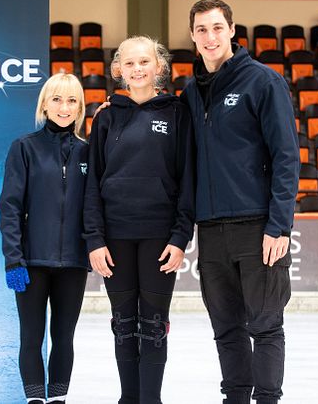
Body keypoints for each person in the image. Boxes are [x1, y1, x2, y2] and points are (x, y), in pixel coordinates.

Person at [182, 0, 299, 404]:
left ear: (232, 30)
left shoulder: (263, 81)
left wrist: (279, 225)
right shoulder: (191, 91)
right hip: (211, 230)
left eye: (217, 28)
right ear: (193, 36)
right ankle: (234, 398)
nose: (210, 37)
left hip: (257, 227)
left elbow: (286, 156)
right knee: (226, 327)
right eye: (202, 30)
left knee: (265, 325)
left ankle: (267, 399)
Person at [83, 36, 194, 404]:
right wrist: (95, 239)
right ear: (118, 70)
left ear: (159, 67)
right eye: (129, 64)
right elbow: (92, 184)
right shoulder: (105, 117)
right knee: (124, 326)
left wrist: (180, 238)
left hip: (160, 239)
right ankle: (128, 399)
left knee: (153, 327)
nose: (137, 69)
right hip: (115, 239)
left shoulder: (178, 114)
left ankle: (151, 400)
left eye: (144, 62)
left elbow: (186, 182)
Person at [0, 73, 90, 404]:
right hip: (32, 262)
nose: (64, 107)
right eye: (57, 99)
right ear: (44, 104)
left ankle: (58, 400)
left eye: (71, 101)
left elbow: (94, 209)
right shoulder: (24, 148)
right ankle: (35, 400)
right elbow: (9, 208)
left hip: (74, 264)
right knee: (31, 337)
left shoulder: (88, 152)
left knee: (64, 337)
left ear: (79, 107)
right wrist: (13, 259)